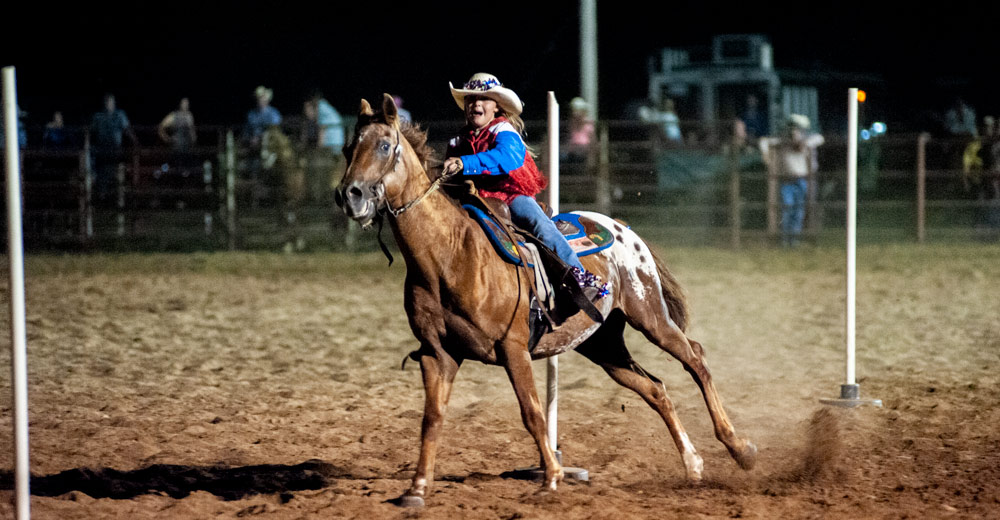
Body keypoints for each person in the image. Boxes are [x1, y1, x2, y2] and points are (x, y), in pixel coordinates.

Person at [441, 72, 608, 299]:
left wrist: (464, 163)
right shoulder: (459, 140)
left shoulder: (503, 130)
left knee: (538, 222)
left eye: (484, 99)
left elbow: (508, 157)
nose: (476, 104)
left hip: (509, 195)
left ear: (497, 107)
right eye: (470, 99)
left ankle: (577, 275)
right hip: (476, 199)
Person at [759, 114, 825, 248]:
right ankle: (785, 240)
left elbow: (819, 138)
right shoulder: (783, 141)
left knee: (798, 211)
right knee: (788, 208)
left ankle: (793, 240)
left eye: (797, 130)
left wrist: (804, 143)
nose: (794, 133)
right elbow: (764, 141)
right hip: (788, 180)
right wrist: (766, 154)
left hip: (802, 179)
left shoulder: (808, 141)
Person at [90, 94, 137, 204]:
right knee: (102, 176)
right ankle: (102, 200)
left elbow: (127, 129)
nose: (109, 104)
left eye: (111, 102)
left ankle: (119, 200)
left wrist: (135, 142)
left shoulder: (120, 115)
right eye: (107, 102)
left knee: (118, 175)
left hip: (116, 151)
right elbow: (91, 133)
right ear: (104, 103)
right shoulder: (98, 116)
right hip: (102, 152)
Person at [564, 96, 595, 165]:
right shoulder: (571, 122)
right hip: (572, 149)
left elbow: (592, 138)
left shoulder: (588, 122)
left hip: (584, 149)